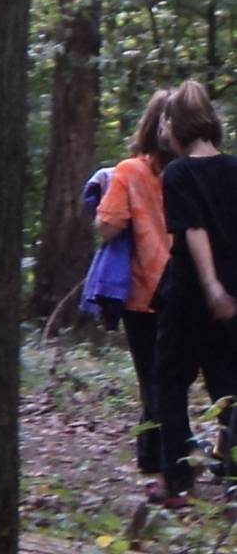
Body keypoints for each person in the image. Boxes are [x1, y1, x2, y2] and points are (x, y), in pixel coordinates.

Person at [148, 79, 237, 509]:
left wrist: (211, 286)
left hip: (190, 295)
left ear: (178, 124)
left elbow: (194, 228)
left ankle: (178, 480)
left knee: (169, 382)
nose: (162, 129)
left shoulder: (179, 172)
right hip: (231, 296)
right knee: (227, 384)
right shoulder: (234, 169)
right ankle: (234, 478)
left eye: (166, 121)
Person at [92, 90, 172, 476]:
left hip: (143, 292)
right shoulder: (196, 169)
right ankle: (155, 457)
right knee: (173, 378)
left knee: (151, 378)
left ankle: (159, 461)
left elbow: (108, 227)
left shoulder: (129, 172)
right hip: (190, 290)